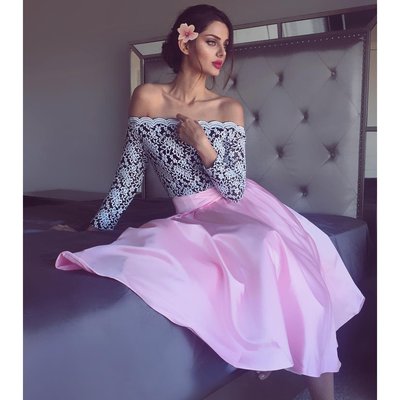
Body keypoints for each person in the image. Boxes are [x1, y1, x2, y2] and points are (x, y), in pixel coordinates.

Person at [54, 4, 365, 400]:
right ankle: (266, 348)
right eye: (212, 42)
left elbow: (234, 189)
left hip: (241, 204)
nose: (221, 53)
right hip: (190, 215)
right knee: (154, 256)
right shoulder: (147, 97)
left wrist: (202, 144)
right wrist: (97, 226)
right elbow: (130, 174)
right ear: (186, 42)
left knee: (271, 244)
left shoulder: (227, 108)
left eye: (225, 45)